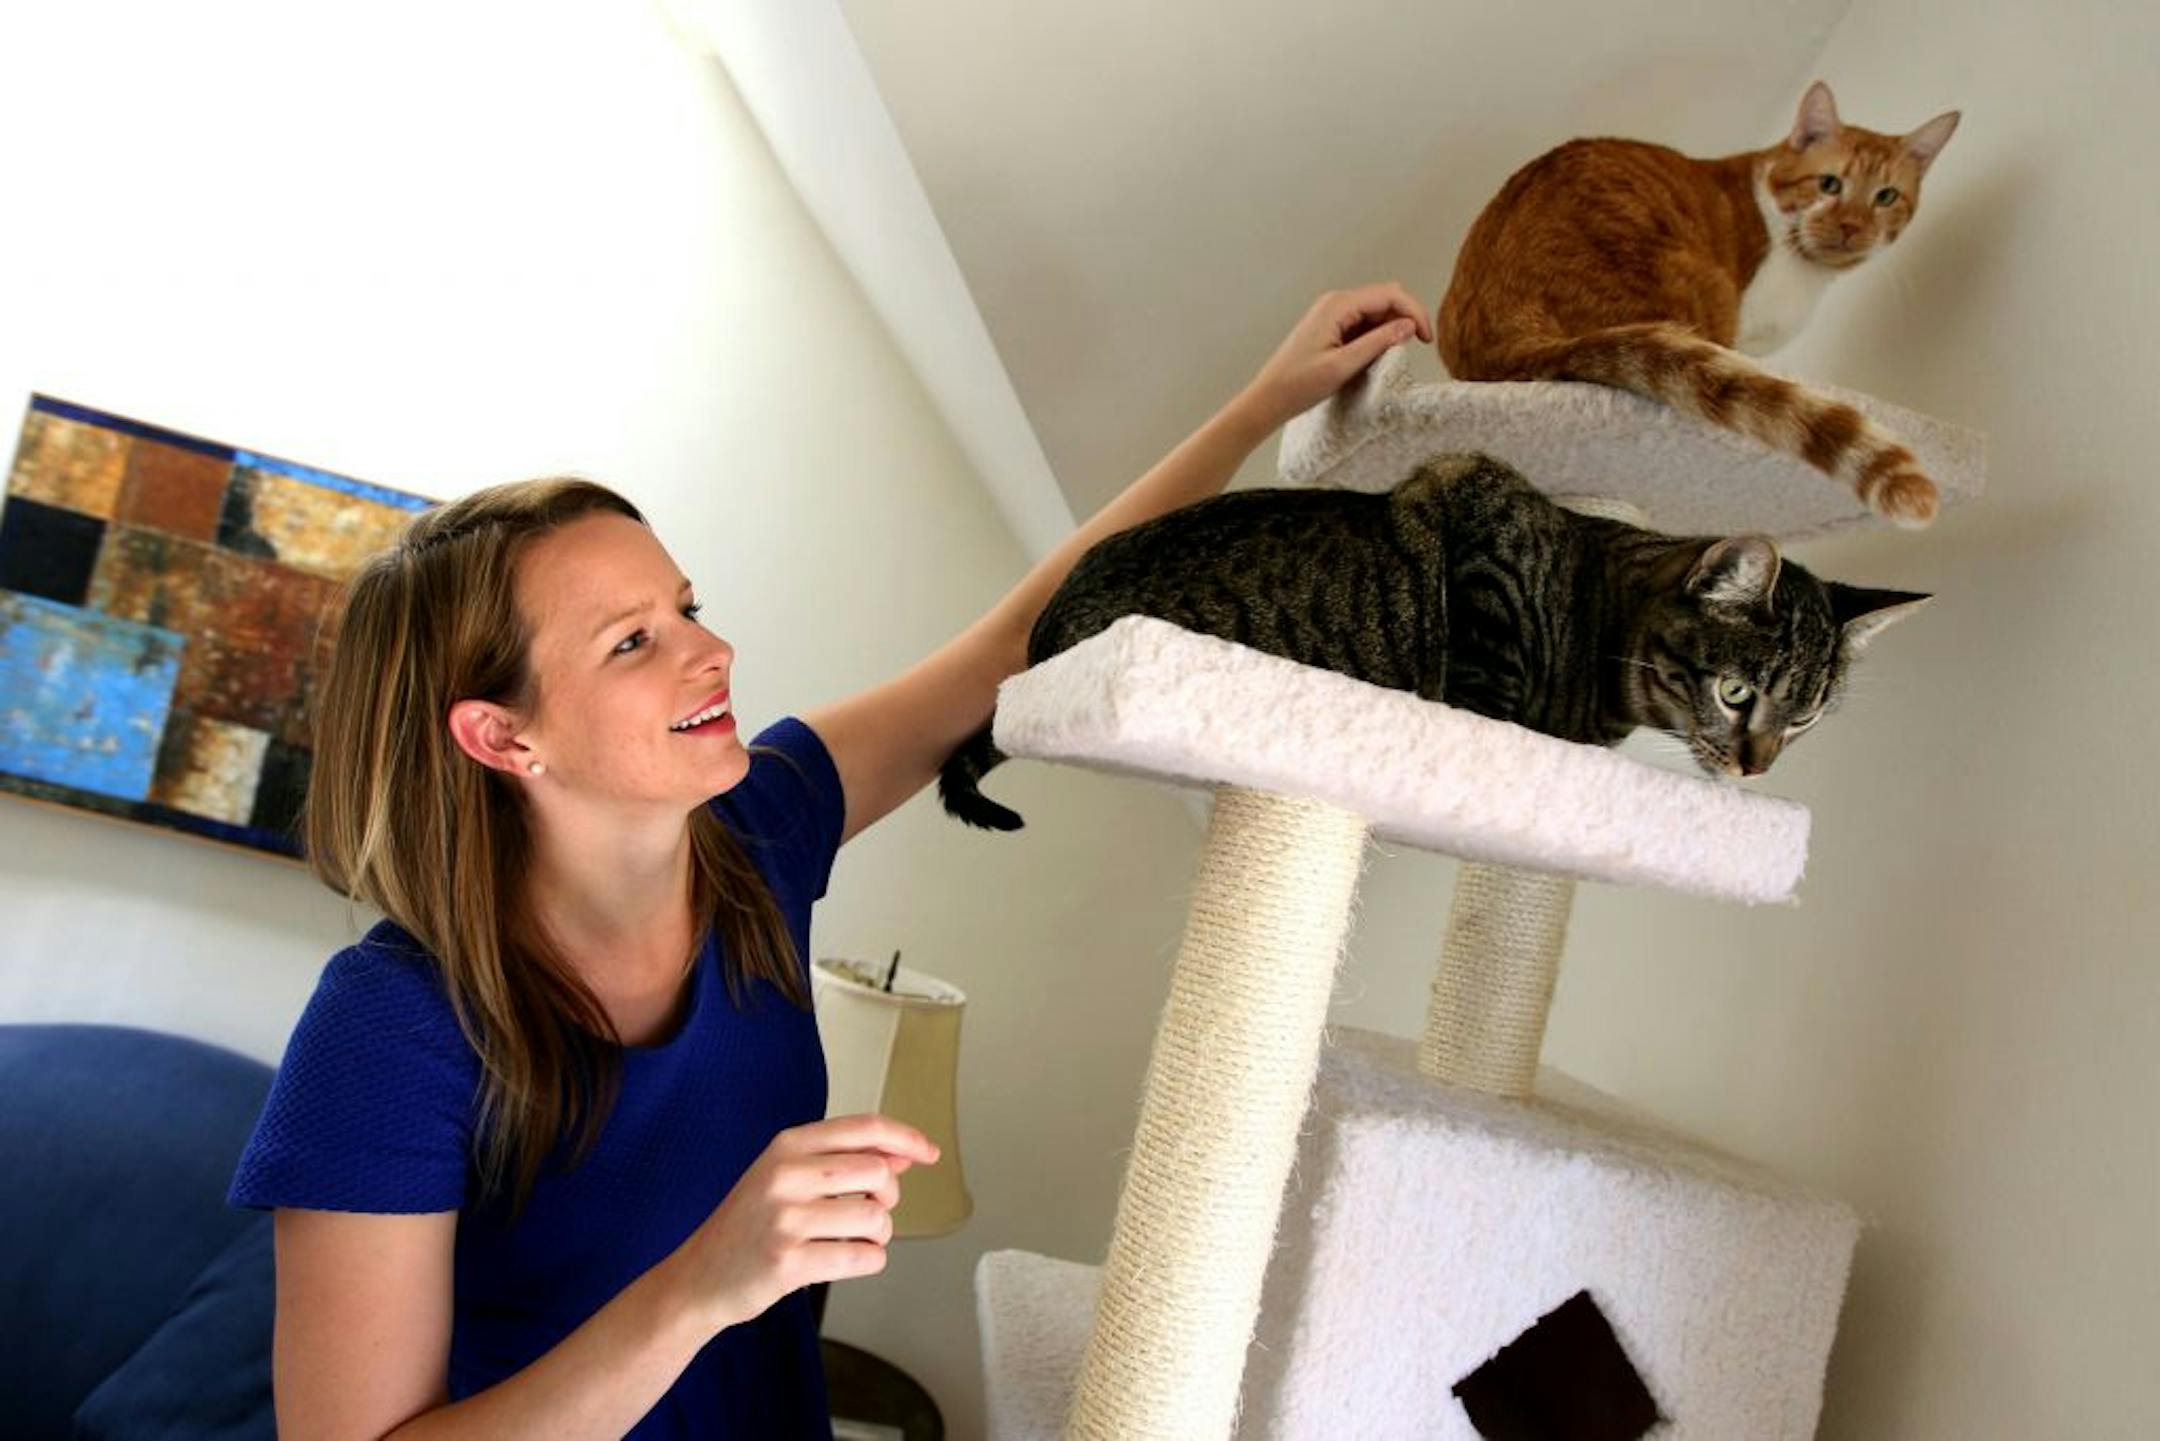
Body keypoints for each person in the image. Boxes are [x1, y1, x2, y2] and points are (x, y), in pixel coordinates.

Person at [229, 283, 1433, 1439]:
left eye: (689, 605)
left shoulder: (762, 828)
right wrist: (704, 1282)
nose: (715, 652)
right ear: (502, 734)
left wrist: (1263, 402)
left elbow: (1022, 635)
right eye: (634, 641)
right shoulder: (388, 1031)